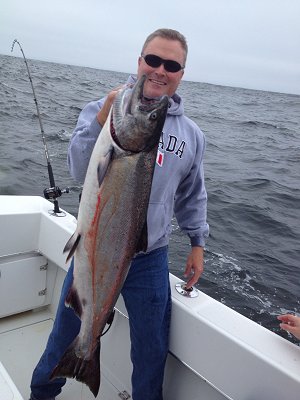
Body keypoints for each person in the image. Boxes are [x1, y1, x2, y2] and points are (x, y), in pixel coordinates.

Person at [30, 28, 209, 400]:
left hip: (150, 258)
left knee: (151, 349)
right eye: (153, 60)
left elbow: (192, 193)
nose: (160, 70)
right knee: (65, 331)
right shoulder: (106, 108)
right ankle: (40, 393)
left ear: (182, 73)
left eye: (171, 65)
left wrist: (197, 242)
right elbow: (79, 170)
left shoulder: (192, 135)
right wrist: (102, 120)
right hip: (93, 249)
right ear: (139, 61)